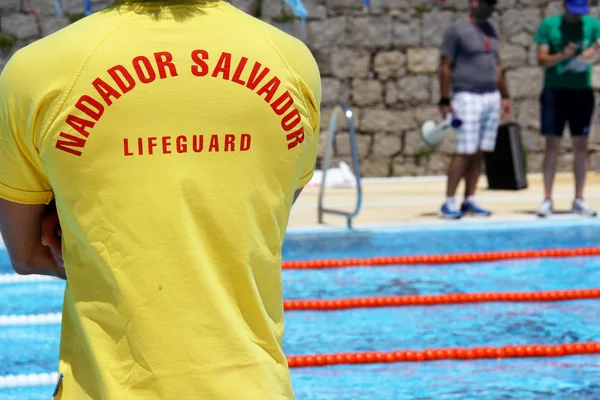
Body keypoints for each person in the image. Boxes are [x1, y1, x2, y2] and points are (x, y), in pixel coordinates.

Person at [0, 0, 321, 398]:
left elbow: (27, 253)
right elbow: (263, 217)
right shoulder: (290, 60)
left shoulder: (38, 70)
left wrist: (91, 240)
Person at [438, 0, 512, 219]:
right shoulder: (457, 30)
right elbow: (445, 65)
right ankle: (448, 200)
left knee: (480, 151)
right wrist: (444, 99)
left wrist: (505, 95)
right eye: (486, 2)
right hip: (467, 95)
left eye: (493, 4)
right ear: (473, 3)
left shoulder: (492, 30)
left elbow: (497, 65)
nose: (490, 7)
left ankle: (469, 198)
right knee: (464, 150)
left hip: (491, 96)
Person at [533, 0, 598, 217]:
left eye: (581, 12)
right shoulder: (549, 25)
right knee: (552, 144)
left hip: (581, 92)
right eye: (573, 12)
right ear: (564, 5)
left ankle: (579, 198)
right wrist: (564, 56)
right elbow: (541, 60)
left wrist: (594, 52)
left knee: (581, 145)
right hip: (554, 92)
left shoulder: (592, 24)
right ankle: (547, 199)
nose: (577, 17)